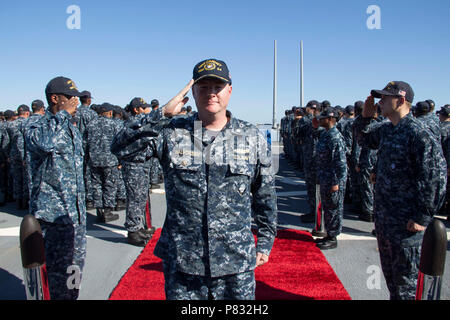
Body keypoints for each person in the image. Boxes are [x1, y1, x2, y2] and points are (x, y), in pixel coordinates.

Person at [112, 58, 277, 300]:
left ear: (229, 90)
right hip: (184, 262)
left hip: (235, 261)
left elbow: (265, 192)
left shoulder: (251, 137)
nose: (211, 93)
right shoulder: (171, 132)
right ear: (192, 92)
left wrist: (265, 239)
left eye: (217, 87)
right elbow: (120, 148)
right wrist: (160, 115)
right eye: (203, 87)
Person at [353, 81, 447, 300]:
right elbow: (363, 139)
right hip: (386, 220)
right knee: (393, 282)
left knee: (407, 285)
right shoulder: (387, 130)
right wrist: (365, 118)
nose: (380, 101)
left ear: (401, 101)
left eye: (385, 97)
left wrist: (422, 216)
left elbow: (436, 177)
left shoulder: (418, 133)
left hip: (406, 225)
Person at [25, 76, 87, 300]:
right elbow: (43, 143)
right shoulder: (36, 124)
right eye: (71, 97)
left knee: (75, 269)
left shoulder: (71, 129)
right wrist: (62, 114)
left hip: (75, 216)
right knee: (56, 273)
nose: (75, 102)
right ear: (54, 98)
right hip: (53, 217)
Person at [116, 98, 154, 246]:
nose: (147, 110)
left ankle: (138, 226)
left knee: (141, 196)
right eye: (144, 108)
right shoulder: (134, 123)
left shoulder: (139, 122)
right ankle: (132, 231)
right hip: (133, 165)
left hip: (141, 164)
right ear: (137, 110)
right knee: (135, 197)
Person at [312, 107, 347, 249]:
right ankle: (328, 234)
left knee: (334, 208)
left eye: (323, 118)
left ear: (330, 119)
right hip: (325, 178)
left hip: (333, 180)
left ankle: (333, 237)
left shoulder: (335, 137)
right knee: (328, 207)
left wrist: (336, 182)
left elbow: (340, 163)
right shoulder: (327, 134)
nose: (320, 119)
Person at [85, 103, 120, 222]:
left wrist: (86, 160)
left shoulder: (90, 125)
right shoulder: (114, 124)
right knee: (110, 185)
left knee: (97, 185)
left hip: (94, 160)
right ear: (110, 113)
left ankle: (99, 210)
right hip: (110, 160)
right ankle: (108, 211)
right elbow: (120, 142)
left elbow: (85, 144)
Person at [76, 90, 98, 210]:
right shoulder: (92, 114)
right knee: (89, 173)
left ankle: (81, 197)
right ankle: (89, 199)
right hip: (89, 146)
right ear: (88, 100)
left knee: (79, 173)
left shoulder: (75, 112)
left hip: (76, 146)